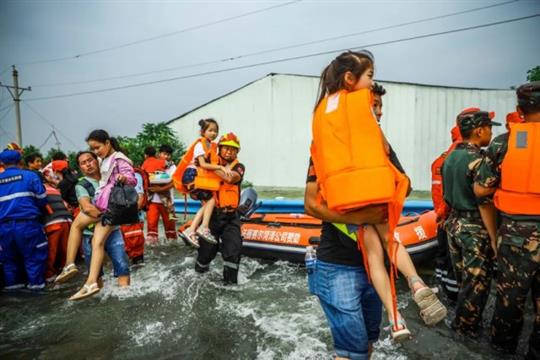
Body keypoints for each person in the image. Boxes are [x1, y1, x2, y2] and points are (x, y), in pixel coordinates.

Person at [311, 51, 446, 342]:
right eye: (370, 77)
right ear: (350, 79)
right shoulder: (371, 132)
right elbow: (311, 203)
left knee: (374, 252)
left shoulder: (326, 123)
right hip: (369, 203)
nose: (378, 111)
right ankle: (416, 282)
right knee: (390, 239)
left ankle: (396, 319)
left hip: (347, 197)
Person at [474, 81, 540, 358]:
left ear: (519, 110)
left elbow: (480, 189)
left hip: (515, 234)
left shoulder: (505, 142)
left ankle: (501, 351)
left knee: (509, 302)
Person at [55, 130, 136, 300]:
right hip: (105, 205)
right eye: (93, 149)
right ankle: (88, 280)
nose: (96, 153)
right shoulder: (98, 167)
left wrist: (124, 178)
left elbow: (131, 178)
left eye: (97, 148)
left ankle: (73, 268)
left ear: (107, 143)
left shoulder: (118, 158)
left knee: (84, 231)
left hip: (109, 207)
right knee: (93, 240)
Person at [441, 109, 500, 337]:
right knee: (476, 285)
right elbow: (484, 202)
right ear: (479, 131)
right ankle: (465, 332)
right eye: (489, 128)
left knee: (464, 281)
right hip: (473, 228)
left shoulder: (450, 156)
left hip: (453, 225)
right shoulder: (479, 160)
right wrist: (494, 237)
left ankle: (460, 324)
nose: (491, 133)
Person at [194, 132, 245, 284]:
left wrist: (208, 167)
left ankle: (230, 285)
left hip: (231, 217)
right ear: (220, 149)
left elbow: (230, 177)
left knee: (233, 251)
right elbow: (195, 190)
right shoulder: (210, 162)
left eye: (233, 149)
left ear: (237, 152)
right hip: (212, 217)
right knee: (206, 252)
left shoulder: (239, 167)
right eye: (226, 148)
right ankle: (198, 277)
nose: (229, 151)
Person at [74, 150, 131, 287]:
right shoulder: (82, 185)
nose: (88, 164)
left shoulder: (110, 178)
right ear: (80, 168)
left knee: (122, 268)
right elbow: (86, 206)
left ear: (97, 161)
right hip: (90, 234)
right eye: (83, 163)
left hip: (113, 231)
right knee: (96, 274)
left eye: (90, 160)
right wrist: (109, 215)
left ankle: (125, 296)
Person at [177, 119, 231, 247]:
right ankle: (203, 228)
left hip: (197, 177)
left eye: (215, 131)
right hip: (192, 176)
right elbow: (202, 164)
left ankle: (191, 230)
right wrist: (220, 168)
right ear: (203, 131)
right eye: (210, 130)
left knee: (208, 202)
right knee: (211, 200)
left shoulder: (210, 145)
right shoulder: (200, 145)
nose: (213, 133)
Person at [430, 113, 467, 302]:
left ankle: (443, 289)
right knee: (454, 262)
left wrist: (439, 215)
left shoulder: (441, 160)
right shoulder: (462, 159)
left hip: (442, 218)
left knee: (443, 256)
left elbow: (437, 193)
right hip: (455, 219)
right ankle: (453, 297)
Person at [0, 148, 48, 290]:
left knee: (9, 262)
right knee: (34, 259)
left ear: (1, 162)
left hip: (3, 229)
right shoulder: (30, 176)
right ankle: (37, 291)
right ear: (20, 161)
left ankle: (14, 292)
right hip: (28, 225)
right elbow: (42, 200)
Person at [42, 168, 73, 282]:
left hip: (53, 223)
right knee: (65, 251)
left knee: (51, 253)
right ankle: (66, 271)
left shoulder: (40, 190)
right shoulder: (54, 189)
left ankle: (50, 276)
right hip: (67, 221)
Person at [143, 145, 177, 243]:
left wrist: (160, 189)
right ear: (159, 154)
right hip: (152, 201)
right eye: (164, 154)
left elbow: (175, 182)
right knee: (151, 225)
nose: (166, 157)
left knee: (171, 226)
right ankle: (152, 246)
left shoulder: (172, 166)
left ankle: (173, 244)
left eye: (169, 155)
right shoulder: (152, 164)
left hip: (169, 202)